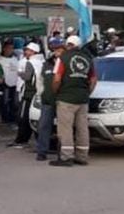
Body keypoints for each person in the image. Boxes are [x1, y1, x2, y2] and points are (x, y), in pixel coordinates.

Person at [50, 35, 97, 167]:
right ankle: (82, 156)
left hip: (66, 98)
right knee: (82, 128)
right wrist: (87, 93)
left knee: (65, 128)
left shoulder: (62, 58)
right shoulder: (88, 59)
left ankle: (66, 157)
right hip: (82, 99)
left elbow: (57, 79)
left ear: (67, 45)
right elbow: (93, 80)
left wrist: (55, 92)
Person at [35, 37, 64, 162]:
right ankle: (42, 151)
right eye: (55, 49)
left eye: (59, 49)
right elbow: (40, 80)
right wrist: (41, 92)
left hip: (62, 100)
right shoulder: (46, 64)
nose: (56, 51)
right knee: (44, 126)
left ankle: (62, 152)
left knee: (63, 128)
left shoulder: (66, 63)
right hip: (47, 100)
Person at [10, 42, 43, 147]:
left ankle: (21, 139)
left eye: (28, 50)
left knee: (23, 116)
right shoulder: (42, 61)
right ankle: (37, 139)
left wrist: (19, 73)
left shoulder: (30, 62)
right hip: (38, 93)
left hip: (29, 93)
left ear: (33, 52)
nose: (26, 52)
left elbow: (27, 77)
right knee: (36, 117)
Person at [0, 41, 20, 124]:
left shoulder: (15, 59)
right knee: (5, 101)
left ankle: (13, 118)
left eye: (12, 48)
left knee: (15, 102)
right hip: (5, 83)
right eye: (9, 48)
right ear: (4, 49)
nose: (10, 50)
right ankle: (5, 118)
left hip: (15, 82)